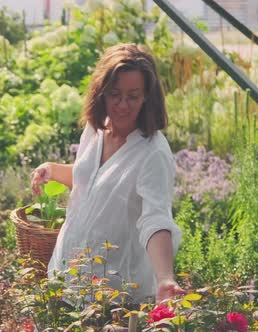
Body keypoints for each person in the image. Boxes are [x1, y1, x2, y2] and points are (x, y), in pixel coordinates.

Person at [30, 43, 184, 305]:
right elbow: (92, 182)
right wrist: (54, 170)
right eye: (115, 94)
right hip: (66, 279)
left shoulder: (153, 153)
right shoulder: (96, 130)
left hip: (114, 297)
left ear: (147, 96)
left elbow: (156, 219)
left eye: (133, 96)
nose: (122, 105)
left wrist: (165, 278)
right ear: (101, 92)